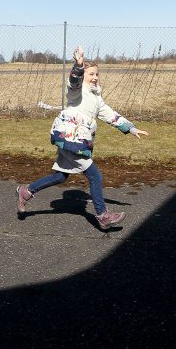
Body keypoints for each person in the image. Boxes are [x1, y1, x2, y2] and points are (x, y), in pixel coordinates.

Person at [16, 45, 149, 230]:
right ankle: (103, 216)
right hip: (70, 139)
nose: (95, 77)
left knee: (61, 176)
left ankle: (26, 191)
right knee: (95, 176)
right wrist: (78, 66)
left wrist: (131, 128)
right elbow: (74, 81)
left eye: (97, 74)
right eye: (91, 74)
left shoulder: (95, 97)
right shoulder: (77, 91)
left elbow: (110, 114)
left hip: (74, 139)